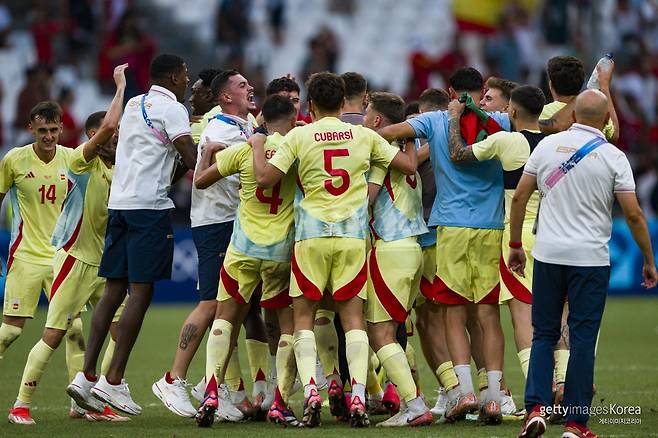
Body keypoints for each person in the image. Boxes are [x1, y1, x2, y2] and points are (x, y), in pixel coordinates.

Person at [249, 72, 417, 428]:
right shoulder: (364, 135)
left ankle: (312, 390)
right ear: (344, 103)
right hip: (352, 238)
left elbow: (265, 178)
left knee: (304, 318)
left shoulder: (299, 134)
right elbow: (406, 165)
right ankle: (358, 394)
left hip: (310, 236)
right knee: (352, 318)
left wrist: (257, 145)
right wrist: (409, 134)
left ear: (310, 105)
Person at [512, 89, 658, 438]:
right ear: (607, 119)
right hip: (590, 259)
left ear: (573, 115)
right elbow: (634, 215)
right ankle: (575, 424)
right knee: (581, 339)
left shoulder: (546, 147)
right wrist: (649, 261)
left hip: (547, 255)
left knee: (543, 334)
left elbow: (520, 195)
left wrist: (516, 244)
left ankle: (535, 409)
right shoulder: (614, 157)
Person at [378, 67, 511, 424]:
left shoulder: (435, 120)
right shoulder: (500, 119)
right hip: (491, 226)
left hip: (450, 226)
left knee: (452, 311)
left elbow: (389, 132)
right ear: (482, 90)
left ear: (450, 90)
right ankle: (494, 397)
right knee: (486, 313)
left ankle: (464, 392)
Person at [67, 54, 197, 416]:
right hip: (148, 208)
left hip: (120, 204)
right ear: (173, 77)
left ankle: (86, 376)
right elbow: (189, 157)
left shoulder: (137, 103)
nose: (187, 81)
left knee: (113, 289)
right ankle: (113, 381)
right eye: (185, 75)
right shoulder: (173, 109)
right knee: (141, 292)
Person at [8, 64, 130, 426]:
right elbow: (108, 125)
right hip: (73, 261)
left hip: (104, 264)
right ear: (93, 136)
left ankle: (93, 398)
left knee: (120, 331)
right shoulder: (80, 160)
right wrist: (121, 86)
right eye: (111, 135)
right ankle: (20, 405)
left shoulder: (114, 169)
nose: (116, 138)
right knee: (55, 334)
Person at [154, 69, 265, 420]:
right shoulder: (220, 131)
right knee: (211, 305)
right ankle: (173, 378)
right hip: (217, 224)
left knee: (235, 309)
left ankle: (212, 384)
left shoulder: (242, 124)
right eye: (242, 85)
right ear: (225, 97)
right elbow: (208, 178)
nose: (250, 88)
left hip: (236, 224)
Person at [194, 95, 300, 428]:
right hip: (280, 251)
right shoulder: (297, 149)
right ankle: (279, 400)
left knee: (225, 318)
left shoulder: (244, 148)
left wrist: (208, 154)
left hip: (241, 249)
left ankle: (211, 391)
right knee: (287, 325)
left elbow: (200, 181)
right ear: (294, 118)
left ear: (263, 120)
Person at [447, 85, 546, 390]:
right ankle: (561, 382)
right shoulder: (555, 143)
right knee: (557, 317)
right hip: (552, 235)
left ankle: (536, 391)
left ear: (512, 112)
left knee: (522, 317)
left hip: (518, 239)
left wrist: (454, 118)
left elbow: (458, 153)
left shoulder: (508, 141)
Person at [362, 92, 432, 427]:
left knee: (380, 332)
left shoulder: (382, 154)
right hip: (412, 249)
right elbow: (413, 160)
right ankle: (411, 400)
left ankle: (414, 405)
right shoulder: (407, 147)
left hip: (391, 249)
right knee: (391, 330)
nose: (363, 118)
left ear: (377, 121)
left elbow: (367, 200)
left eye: (366, 113)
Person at [0, 101, 79, 373]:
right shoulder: (14, 160)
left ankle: (79, 404)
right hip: (26, 256)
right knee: (10, 332)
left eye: (54, 130)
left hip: (62, 257)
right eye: (42, 129)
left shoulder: (71, 159)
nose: (48, 136)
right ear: (30, 128)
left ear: (61, 129)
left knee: (75, 329)